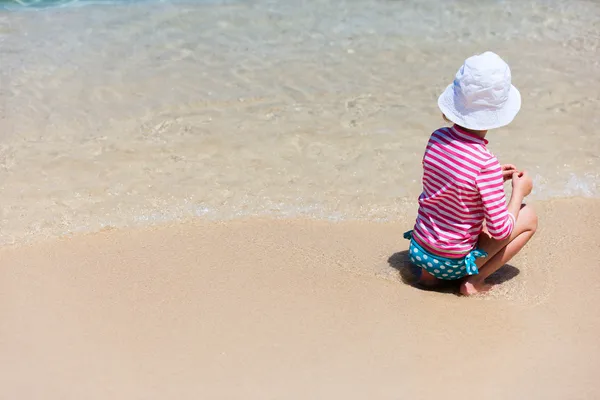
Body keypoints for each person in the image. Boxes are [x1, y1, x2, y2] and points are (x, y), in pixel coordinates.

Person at [404, 51, 538, 296]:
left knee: (449, 215)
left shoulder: (437, 138)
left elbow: (449, 183)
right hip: (452, 263)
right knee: (528, 216)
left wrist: (493, 178)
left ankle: (428, 278)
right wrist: (518, 193)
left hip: (421, 251)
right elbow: (501, 230)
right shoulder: (483, 163)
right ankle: (474, 281)